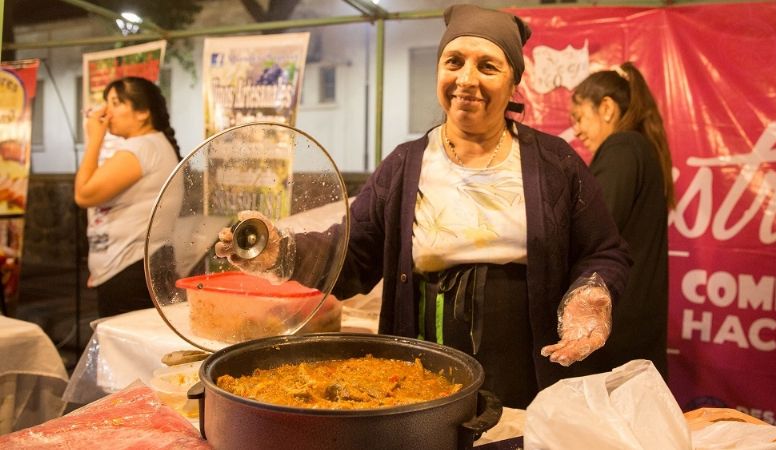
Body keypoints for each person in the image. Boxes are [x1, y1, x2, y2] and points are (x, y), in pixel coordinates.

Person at [216, 4, 631, 409]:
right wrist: (280, 251)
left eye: (488, 67)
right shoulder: (405, 164)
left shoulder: (555, 163)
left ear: (513, 84)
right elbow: (352, 255)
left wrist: (591, 294)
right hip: (420, 367)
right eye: (454, 62)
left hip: (526, 369)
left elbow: (603, 251)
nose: (466, 79)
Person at [570, 62, 674, 379]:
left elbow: (591, 229)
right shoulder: (641, 149)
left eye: (579, 117)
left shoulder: (622, 147)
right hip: (634, 329)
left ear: (606, 108)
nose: (576, 130)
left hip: (615, 331)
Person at [74, 76, 180, 318]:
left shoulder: (141, 148)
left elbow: (84, 194)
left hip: (130, 271)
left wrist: (94, 139)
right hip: (129, 268)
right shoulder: (149, 145)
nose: (106, 112)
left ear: (142, 112)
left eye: (115, 103)